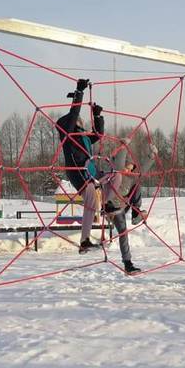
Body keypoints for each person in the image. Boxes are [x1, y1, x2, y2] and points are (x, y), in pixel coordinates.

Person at [55, 78, 105, 253]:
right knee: (91, 199)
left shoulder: (83, 136)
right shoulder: (68, 135)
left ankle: (106, 205)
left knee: (116, 175)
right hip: (77, 172)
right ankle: (85, 240)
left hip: (90, 171)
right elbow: (74, 114)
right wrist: (79, 92)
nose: (82, 122)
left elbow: (98, 135)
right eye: (79, 121)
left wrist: (98, 116)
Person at [98, 139, 158, 275]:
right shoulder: (115, 174)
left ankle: (136, 214)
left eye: (131, 167)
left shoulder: (131, 177)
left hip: (123, 205)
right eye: (127, 166)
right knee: (123, 233)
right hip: (112, 207)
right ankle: (128, 263)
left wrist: (152, 155)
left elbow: (142, 168)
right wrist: (124, 146)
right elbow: (119, 163)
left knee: (137, 184)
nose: (129, 169)